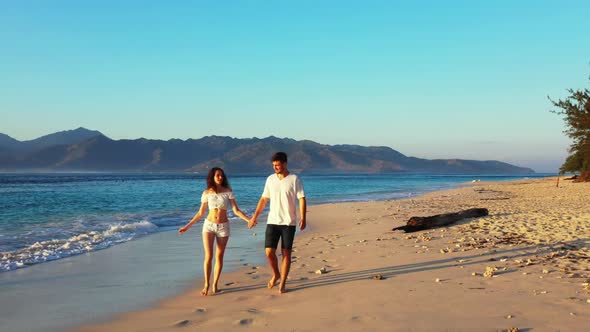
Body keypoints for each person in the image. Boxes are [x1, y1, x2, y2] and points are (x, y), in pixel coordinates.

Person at [178, 167, 251, 296]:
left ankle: (215, 285)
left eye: (221, 175)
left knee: (219, 256)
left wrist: (249, 220)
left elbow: (236, 210)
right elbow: (200, 213)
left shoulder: (228, 191)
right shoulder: (206, 193)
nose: (220, 177)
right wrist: (187, 226)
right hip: (209, 226)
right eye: (217, 175)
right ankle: (206, 283)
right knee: (209, 256)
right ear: (212, 177)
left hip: (223, 227)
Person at [249, 152, 307, 294]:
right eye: (273, 165)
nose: (275, 167)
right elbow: (263, 199)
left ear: (285, 164)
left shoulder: (294, 179)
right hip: (272, 221)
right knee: (269, 252)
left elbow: (302, 199)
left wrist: (303, 217)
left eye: (278, 165)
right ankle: (276, 273)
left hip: (288, 222)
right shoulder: (270, 179)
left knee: (286, 253)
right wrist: (254, 216)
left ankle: (283, 282)